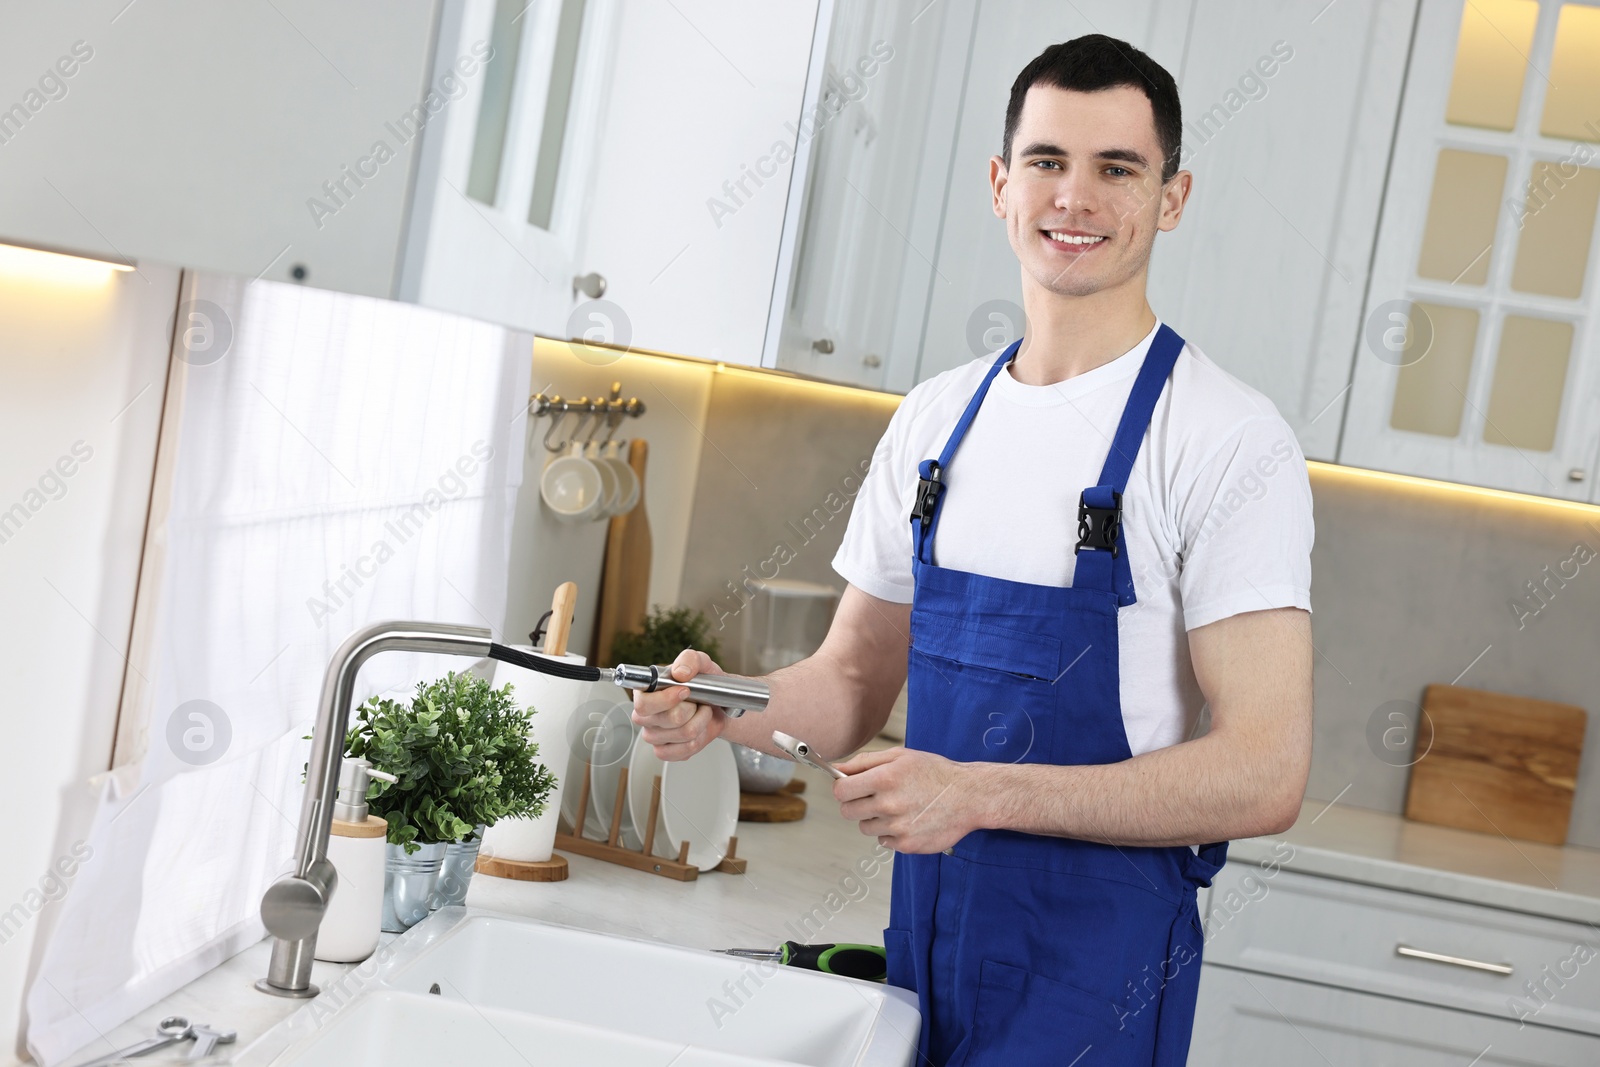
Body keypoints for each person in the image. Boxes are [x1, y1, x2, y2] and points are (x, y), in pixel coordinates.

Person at [631, 33, 1313, 1066]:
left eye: (1115, 168)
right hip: (927, 950)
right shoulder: (935, 422)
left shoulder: (1223, 436)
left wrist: (981, 791)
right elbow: (850, 681)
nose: (1072, 198)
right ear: (1001, 185)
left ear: (1170, 198)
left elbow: (1266, 770)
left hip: (1098, 977)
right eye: (1045, 161)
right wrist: (723, 703)